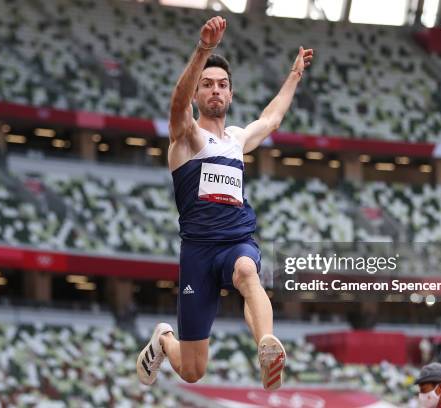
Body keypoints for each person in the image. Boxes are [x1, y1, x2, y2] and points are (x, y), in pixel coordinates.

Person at [136, 15, 313, 390]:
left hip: (236, 242)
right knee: (193, 370)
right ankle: (164, 340)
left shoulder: (235, 139)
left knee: (248, 271)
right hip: (198, 253)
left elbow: (272, 118)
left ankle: (267, 346)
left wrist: (294, 75)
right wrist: (204, 51)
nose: (216, 90)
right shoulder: (187, 138)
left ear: (231, 94)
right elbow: (176, 104)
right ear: (198, 95)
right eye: (208, 85)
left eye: (222, 85)